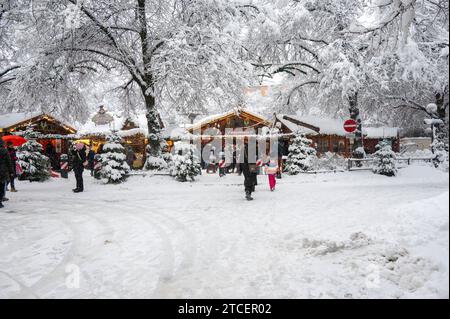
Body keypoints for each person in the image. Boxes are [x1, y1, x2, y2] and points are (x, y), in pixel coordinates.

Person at [0, 139, 13, 208]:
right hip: (3, 171)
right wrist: (11, 171)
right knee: (2, 186)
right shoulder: (5, 151)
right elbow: (9, 162)